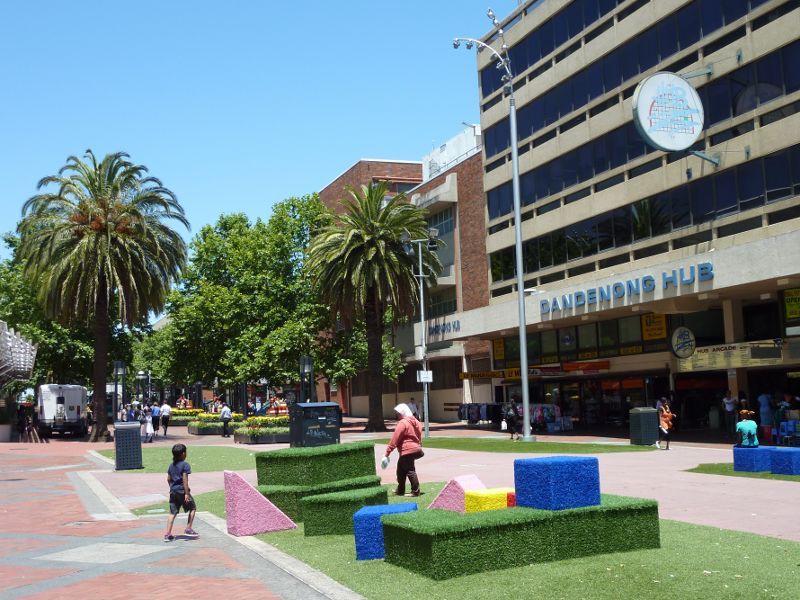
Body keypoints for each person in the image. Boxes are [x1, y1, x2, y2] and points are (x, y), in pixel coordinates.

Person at [383, 403, 424, 497]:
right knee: (400, 470)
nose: (397, 415)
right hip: (416, 449)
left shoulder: (402, 423)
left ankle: (415, 491)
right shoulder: (417, 422)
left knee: (410, 470)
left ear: (402, 413)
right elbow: (419, 436)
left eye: (398, 413)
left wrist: (387, 453)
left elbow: (395, 439)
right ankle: (400, 490)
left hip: (407, 450)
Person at [164, 443, 198, 542]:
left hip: (173, 491)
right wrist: (186, 493)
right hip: (182, 491)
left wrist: (172, 488)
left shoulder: (171, 465)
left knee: (172, 512)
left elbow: (168, 479)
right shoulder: (185, 465)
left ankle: (168, 533)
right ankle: (188, 528)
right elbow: (185, 479)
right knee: (192, 508)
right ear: (183, 454)